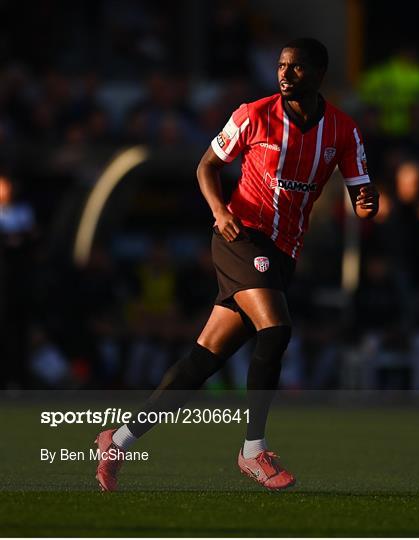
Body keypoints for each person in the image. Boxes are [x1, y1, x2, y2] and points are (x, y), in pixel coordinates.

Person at [94, 37, 379, 491]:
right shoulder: (253, 114)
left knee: (202, 360)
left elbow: (363, 199)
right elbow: (206, 166)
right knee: (277, 329)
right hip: (240, 237)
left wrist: (368, 202)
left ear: (319, 74)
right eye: (281, 65)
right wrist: (221, 212)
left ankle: (118, 440)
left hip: (284, 252)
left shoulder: (342, 131)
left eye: (296, 67)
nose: (284, 74)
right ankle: (253, 450)